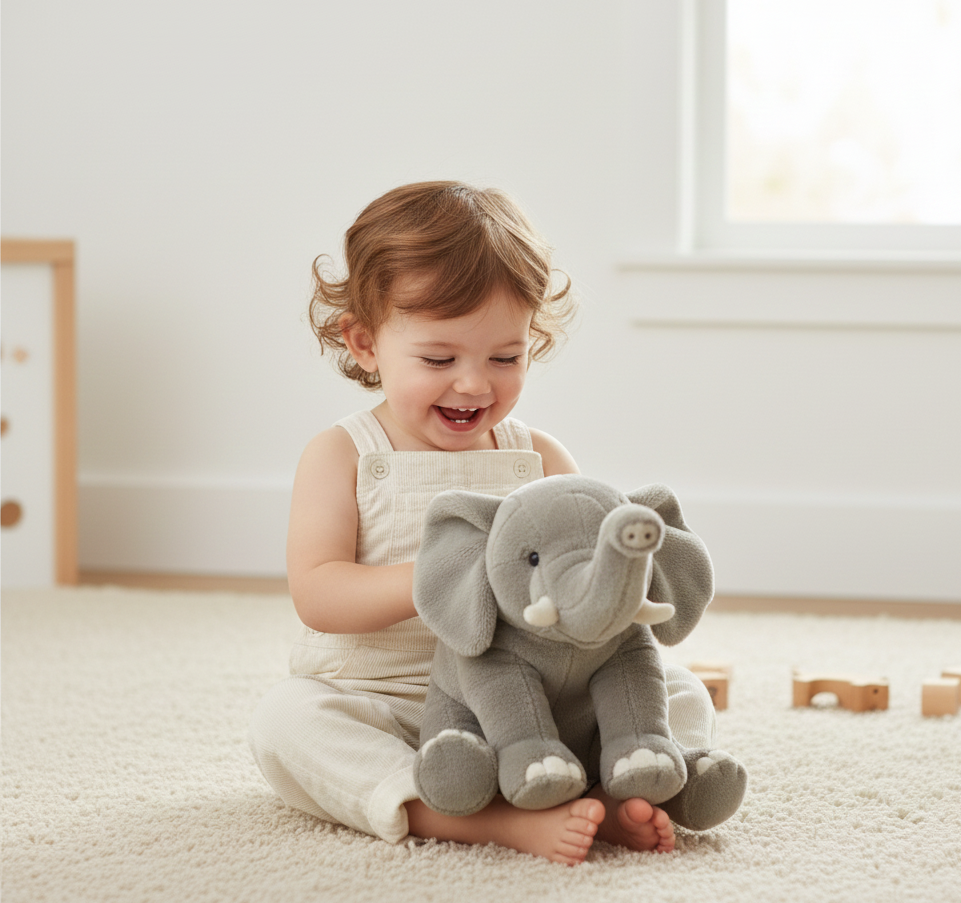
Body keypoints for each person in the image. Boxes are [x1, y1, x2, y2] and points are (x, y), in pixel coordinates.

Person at [249, 181, 723, 865]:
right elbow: (319, 595)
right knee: (286, 722)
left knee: (675, 688)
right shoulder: (342, 454)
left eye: (505, 357)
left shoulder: (539, 458)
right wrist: (447, 577)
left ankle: (623, 784)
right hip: (387, 701)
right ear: (364, 342)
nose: (474, 384)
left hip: (529, 703)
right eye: (438, 359)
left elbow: (587, 591)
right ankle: (477, 819)